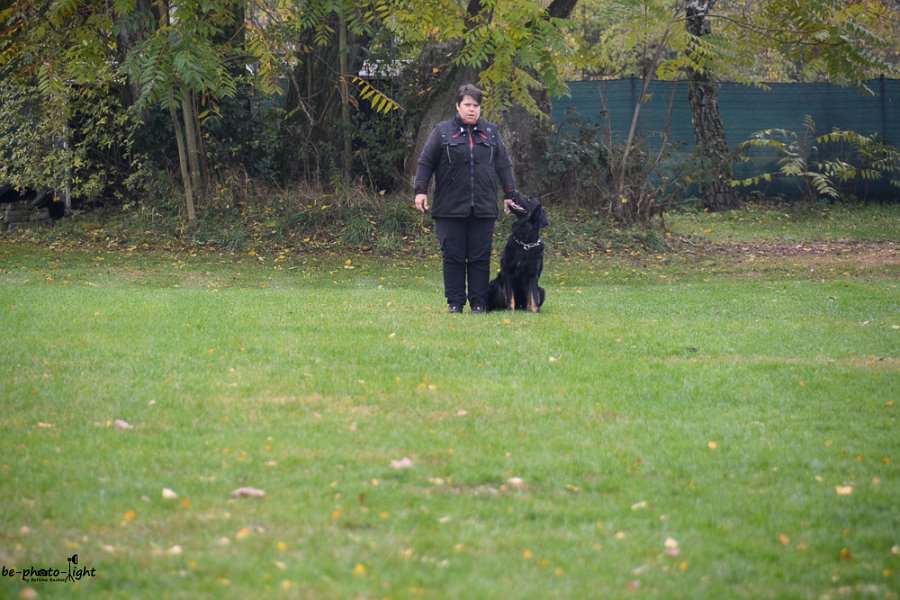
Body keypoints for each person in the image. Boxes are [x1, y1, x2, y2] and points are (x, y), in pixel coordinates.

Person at [414, 84, 518, 314]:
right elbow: (426, 162)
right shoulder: (442, 132)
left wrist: (510, 194)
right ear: (457, 106)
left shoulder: (491, 132)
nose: (472, 109)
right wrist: (420, 191)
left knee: (480, 257)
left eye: (476, 105)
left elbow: (503, 164)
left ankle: (479, 303)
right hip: (449, 208)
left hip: (483, 207)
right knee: (453, 257)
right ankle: (455, 303)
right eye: (467, 105)